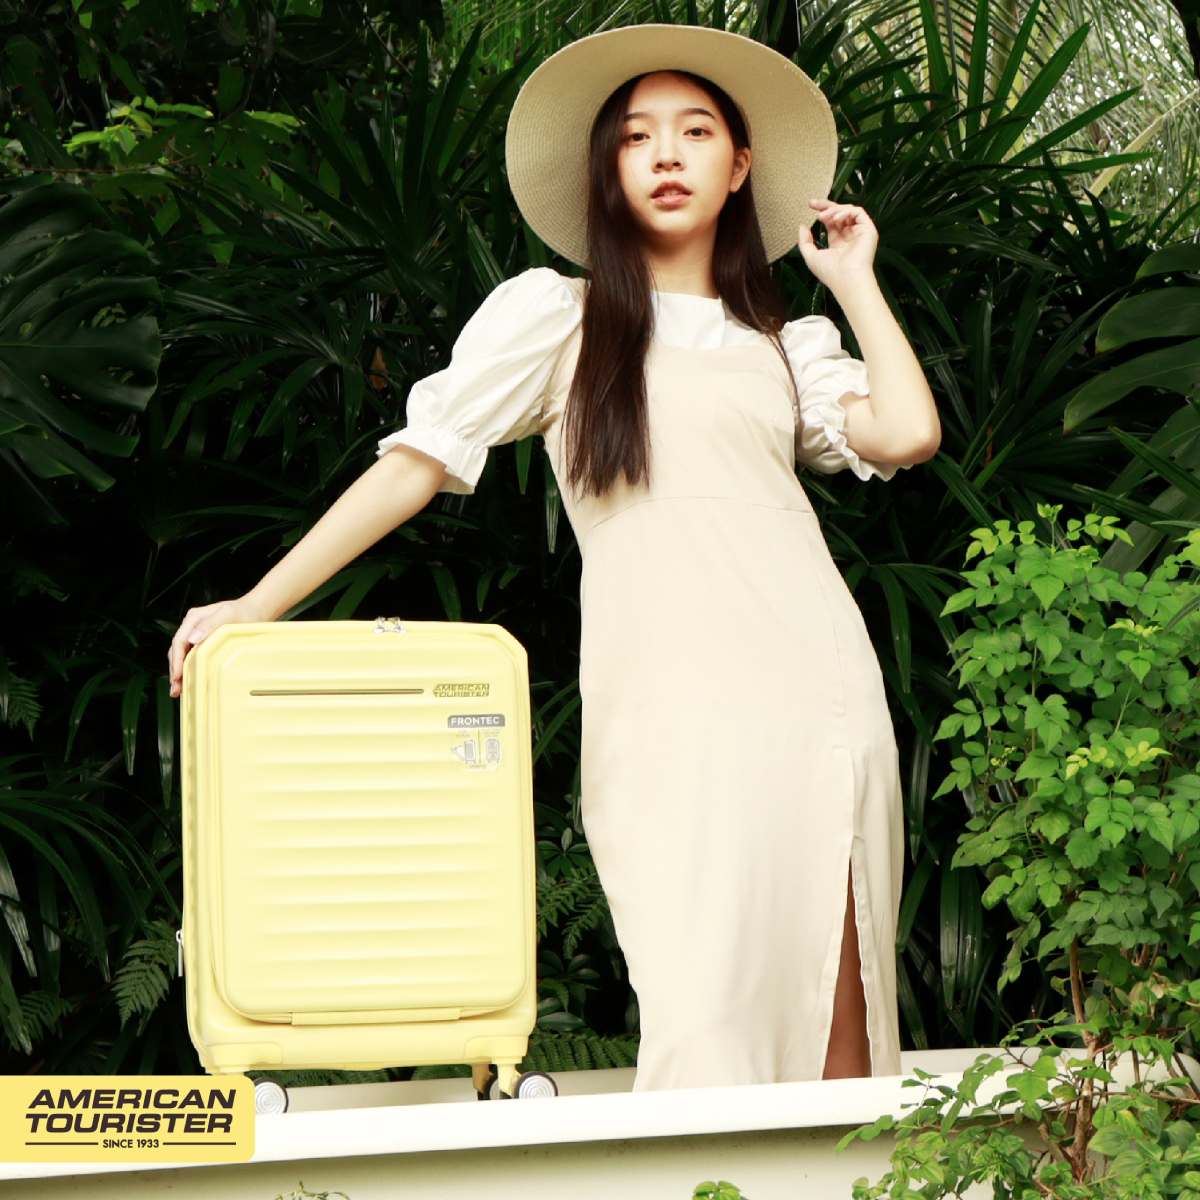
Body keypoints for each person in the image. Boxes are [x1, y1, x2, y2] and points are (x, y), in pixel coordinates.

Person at [168, 22, 941, 1093]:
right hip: (667, 710)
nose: (666, 155)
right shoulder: (558, 319)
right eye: (636, 136)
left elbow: (906, 433)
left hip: (817, 694)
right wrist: (258, 603)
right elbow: (417, 463)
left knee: (838, 1003)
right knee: (703, 1006)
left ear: (740, 166)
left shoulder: (785, 346)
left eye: (695, 131)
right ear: (606, 170)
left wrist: (852, 279)